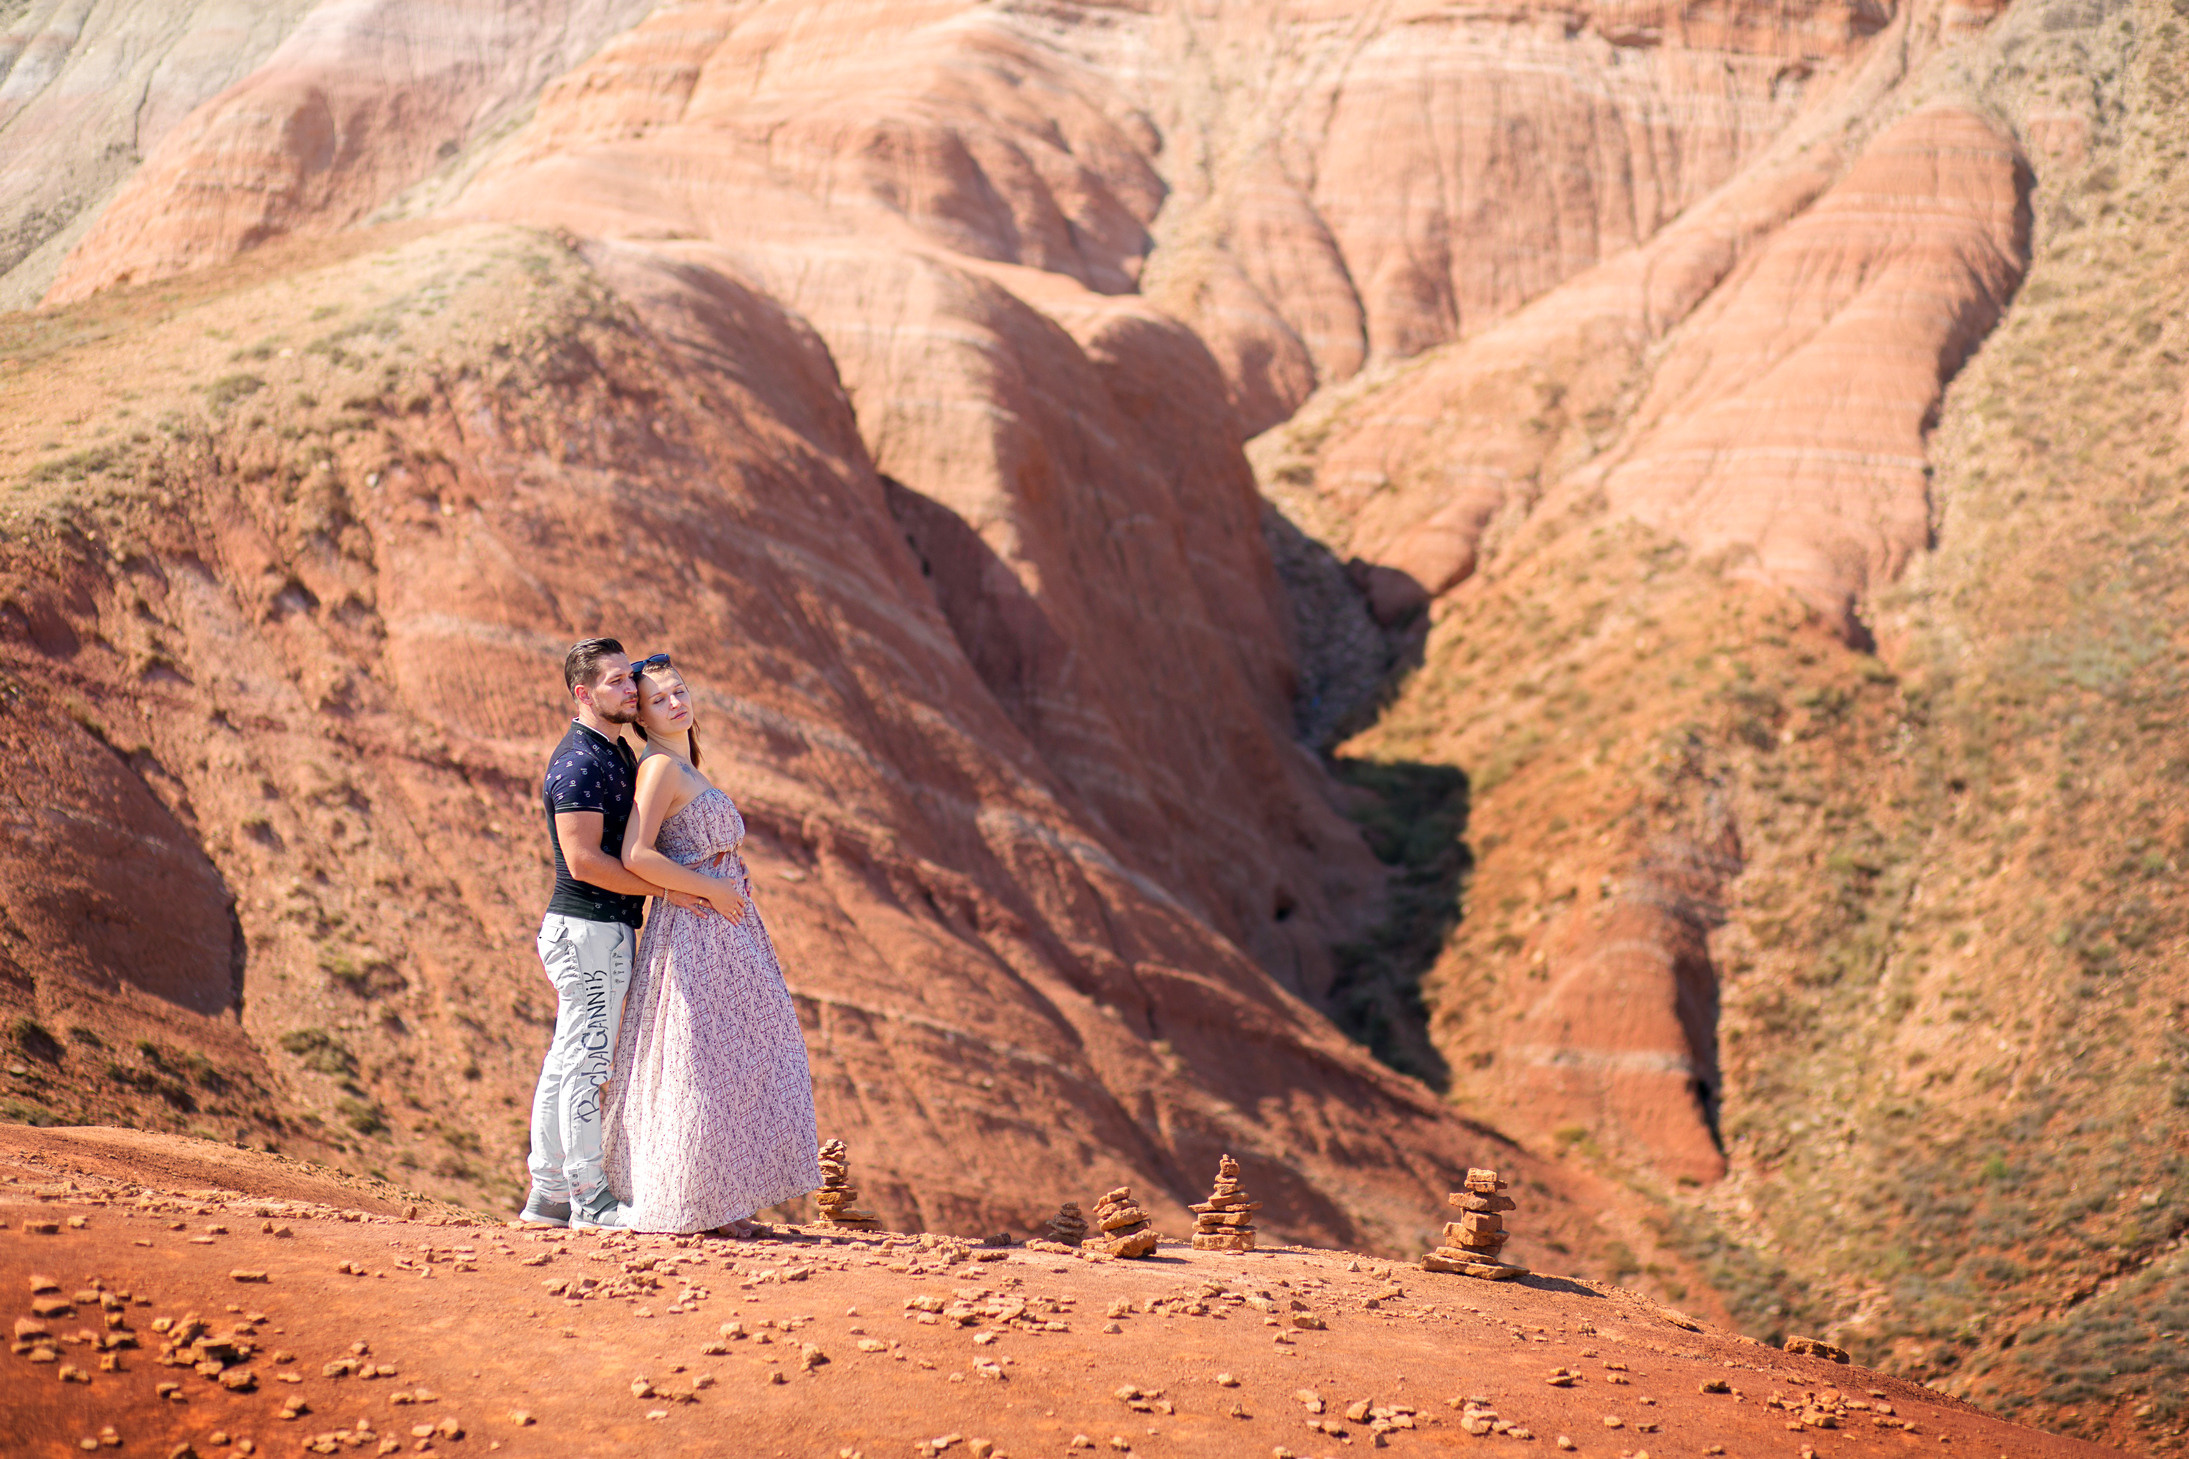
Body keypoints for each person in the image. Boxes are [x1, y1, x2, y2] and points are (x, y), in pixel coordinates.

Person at [601, 651, 823, 1236]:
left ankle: (722, 1200)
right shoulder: (659, 769)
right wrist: (710, 891)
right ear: (642, 716)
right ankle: (691, 1205)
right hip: (696, 929)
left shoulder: (686, 764)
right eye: (660, 699)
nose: (676, 702)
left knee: (738, 1062)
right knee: (696, 1065)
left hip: (725, 929)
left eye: (680, 691)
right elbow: (636, 855)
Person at [522, 637, 721, 1232]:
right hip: (587, 928)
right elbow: (583, 861)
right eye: (613, 682)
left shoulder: (614, 753)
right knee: (587, 1063)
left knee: (567, 1061)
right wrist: (669, 890)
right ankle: (591, 1200)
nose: (629, 690)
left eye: (628, 680)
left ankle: (548, 1195)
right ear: (581, 694)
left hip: (600, 929)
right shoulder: (580, 762)